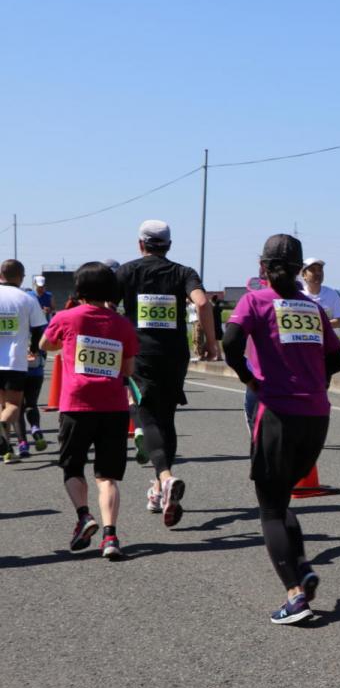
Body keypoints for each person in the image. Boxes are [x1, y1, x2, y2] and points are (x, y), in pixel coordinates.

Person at [223, 234, 340, 624]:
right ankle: (302, 570)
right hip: (317, 415)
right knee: (282, 498)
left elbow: (230, 340)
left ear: (262, 267)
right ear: (299, 270)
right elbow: (339, 359)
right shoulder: (312, 308)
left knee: (270, 508)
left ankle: (295, 596)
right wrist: (314, 383)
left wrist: (248, 376)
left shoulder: (255, 300)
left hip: (276, 411)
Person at [115, 219, 217, 526]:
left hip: (140, 353)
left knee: (146, 417)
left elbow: (107, 306)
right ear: (169, 245)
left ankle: (166, 477)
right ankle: (160, 489)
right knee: (167, 417)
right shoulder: (183, 273)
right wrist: (212, 343)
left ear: (140, 244)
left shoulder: (127, 271)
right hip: (174, 354)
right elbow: (202, 302)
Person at [40, 263, 139, 559]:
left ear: (79, 289)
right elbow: (129, 369)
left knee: (73, 466)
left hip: (77, 405)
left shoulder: (66, 317)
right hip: (113, 406)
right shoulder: (122, 324)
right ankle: (111, 536)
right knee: (107, 476)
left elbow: (46, 344)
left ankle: (84, 515)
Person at [0, 259, 49, 464]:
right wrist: (34, 349)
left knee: (2, 404)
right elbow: (39, 329)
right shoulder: (27, 299)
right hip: (14, 360)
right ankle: (3, 435)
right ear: (21, 276)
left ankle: (6, 450)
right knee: (13, 406)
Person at [15, 348, 48, 456]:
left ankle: (23, 443)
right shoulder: (40, 330)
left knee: (17, 408)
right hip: (36, 370)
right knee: (31, 404)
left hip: (15, 370)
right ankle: (35, 427)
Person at [299, 258, 340, 329]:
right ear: (304, 275)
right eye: (313, 270)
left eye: (320, 270)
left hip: (327, 339)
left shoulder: (332, 294)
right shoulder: (299, 295)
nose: (318, 273)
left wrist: (315, 325)